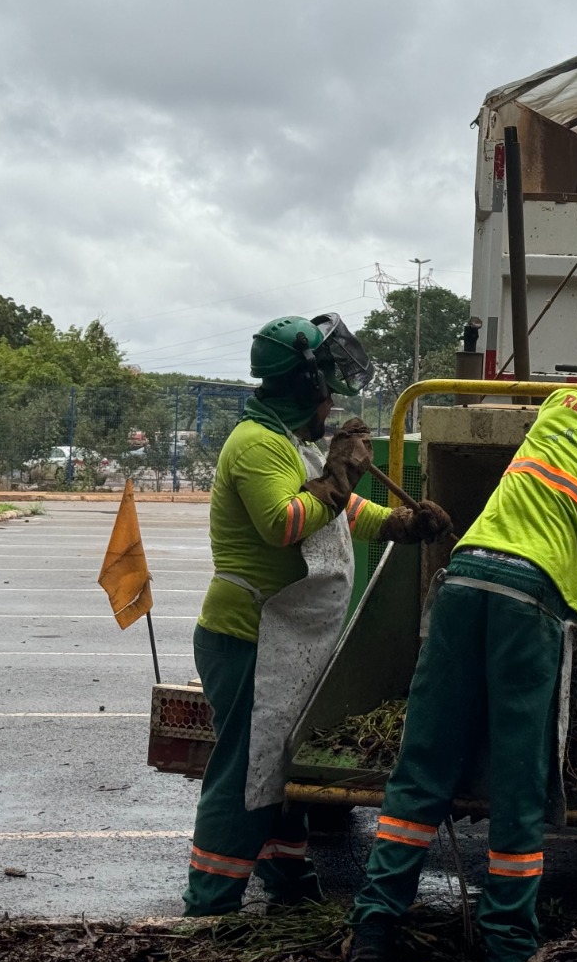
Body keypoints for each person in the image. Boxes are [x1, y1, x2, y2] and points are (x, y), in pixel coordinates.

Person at [347, 373, 577, 962]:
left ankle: (374, 928)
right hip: (530, 602)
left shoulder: (562, 405)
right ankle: (508, 945)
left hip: (461, 581)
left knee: (421, 766)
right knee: (518, 780)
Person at [184, 313, 450, 917]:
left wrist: (402, 525)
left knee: (282, 763)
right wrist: (337, 474)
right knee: (245, 770)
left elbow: (344, 510)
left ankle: (289, 881)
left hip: (284, 637)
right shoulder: (255, 446)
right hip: (248, 635)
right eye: (327, 385)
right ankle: (210, 902)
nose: (333, 398)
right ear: (305, 383)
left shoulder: (293, 441)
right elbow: (284, 523)